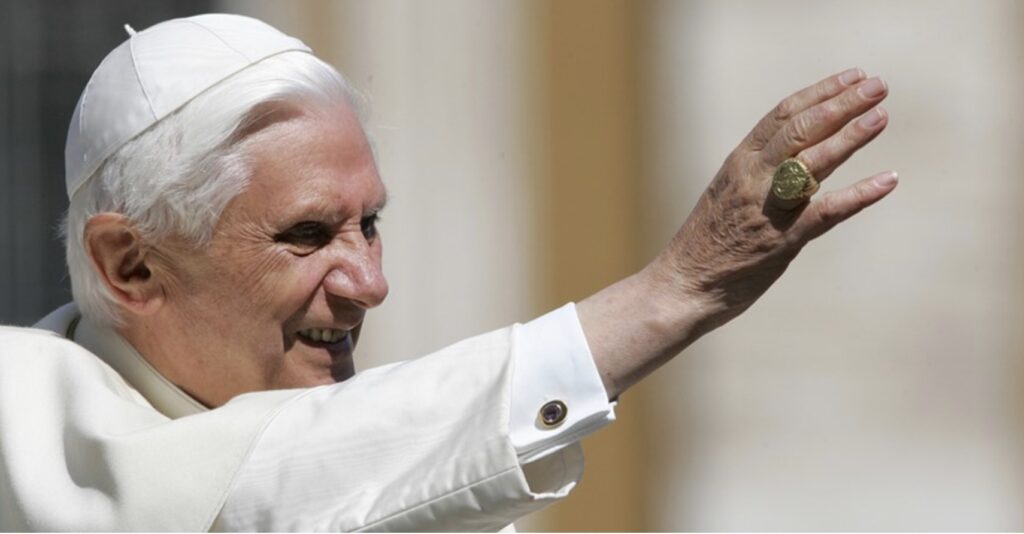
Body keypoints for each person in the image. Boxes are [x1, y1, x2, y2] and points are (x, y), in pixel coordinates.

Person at [0, 13, 896, 531]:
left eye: (370, 225)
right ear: (132, 266)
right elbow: (264, 487)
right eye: (308, 235)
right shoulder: (17, 409)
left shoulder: (404, 485)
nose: (369, 285)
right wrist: (672, 294)